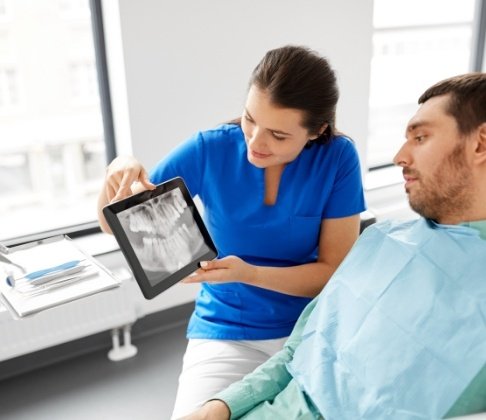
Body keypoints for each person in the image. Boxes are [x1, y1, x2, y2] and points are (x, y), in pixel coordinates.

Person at [181, 72, 486, 420]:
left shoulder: (338, 159)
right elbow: (299, 350)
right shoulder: (379, 241)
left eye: (420, 136)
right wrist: (220, 407)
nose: (399, 156)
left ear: (480, 144)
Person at [97, 45, 366, 418]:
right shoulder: (210, 149)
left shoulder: (337, 158)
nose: (255, 142)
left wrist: (249, 274)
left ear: (316, 131)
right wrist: (118, 169)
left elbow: (331, 273)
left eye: (277, 134)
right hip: (226, 330)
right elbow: (115, 224)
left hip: (312, 328)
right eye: (249, 118)